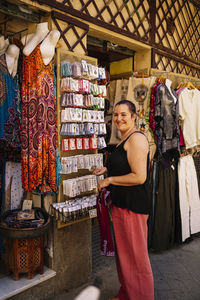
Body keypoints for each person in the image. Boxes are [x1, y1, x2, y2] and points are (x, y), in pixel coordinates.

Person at [93, 100, 154, 300]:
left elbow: (139, 177)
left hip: (133, 208)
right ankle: (127, 294)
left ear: (134, 116)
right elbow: (126, 167)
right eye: (116, 115)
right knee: (125, 257)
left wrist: (109, 180)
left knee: (136, 259)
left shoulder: (136, 139)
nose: (118, 119)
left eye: (124, 115)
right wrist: (108, 170)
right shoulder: (124, 139)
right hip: (121, 205)